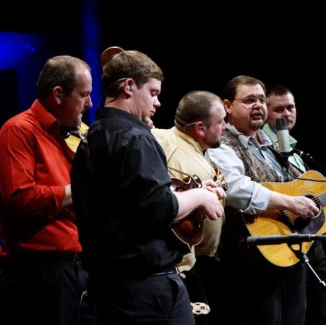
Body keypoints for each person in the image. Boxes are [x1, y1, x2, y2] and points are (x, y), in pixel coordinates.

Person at [70, 47, 224, 325]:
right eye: (153, 93)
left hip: (107, 287)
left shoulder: (91, 138)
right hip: (147, 291)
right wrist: (200, 195)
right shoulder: (135, 137)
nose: (158, 103)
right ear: (129, 86)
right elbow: (160, 208)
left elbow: (129, 208)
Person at [205, 75, 326, 325]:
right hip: (248, 258)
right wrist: (289, 204)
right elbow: (235, 188)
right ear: (227, 106)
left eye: (261, 100)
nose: (258, 106)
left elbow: (299, 192)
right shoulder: (221, 144)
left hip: (287, 253)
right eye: (248, 100)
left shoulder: (274, 146)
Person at [0, 55, 94, 325]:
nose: (89, 104)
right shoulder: (18, 130)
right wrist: (79, 189)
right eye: (84, 95)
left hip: (77, 264)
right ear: (58, 94)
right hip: (38, 271)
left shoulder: (78, 132)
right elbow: (20, 197)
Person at [262, 84, 326, 325]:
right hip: (282, 238)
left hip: (310, 236)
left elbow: (313, 195)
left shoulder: (293, 151)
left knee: (321, 312)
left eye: (290, 107)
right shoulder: (264, 144)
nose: (286, 114)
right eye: (278, 109)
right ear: (265, 111)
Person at [152, 90, 227, 324]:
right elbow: (204, 237)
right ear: (200, 128)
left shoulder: (155, 135)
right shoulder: (196, 167)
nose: (225, 126)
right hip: (181, 267)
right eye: (221, 122)